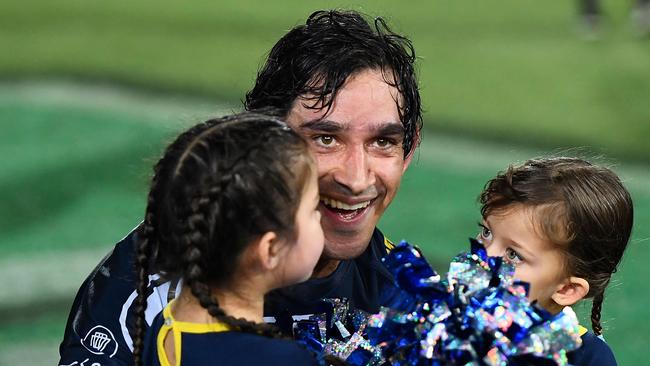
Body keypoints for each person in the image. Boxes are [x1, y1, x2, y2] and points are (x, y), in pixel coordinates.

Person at [59, 9, 422, 366]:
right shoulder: (150, 275)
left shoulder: (407, 291)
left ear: (408, 151)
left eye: (383, 141)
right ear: (264, 139)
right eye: (326, 138)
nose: (356, 178)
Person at [132, 113, 322, 365]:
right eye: (313, 209)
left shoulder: (167, 324)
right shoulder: (278, 359)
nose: (320, 217)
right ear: (271, 249)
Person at [477, 157, 633, 366]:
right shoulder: (445, 321)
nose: (483, 256)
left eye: (513, 254)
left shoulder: (587, 358)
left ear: (567, 289)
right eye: (487, 233)